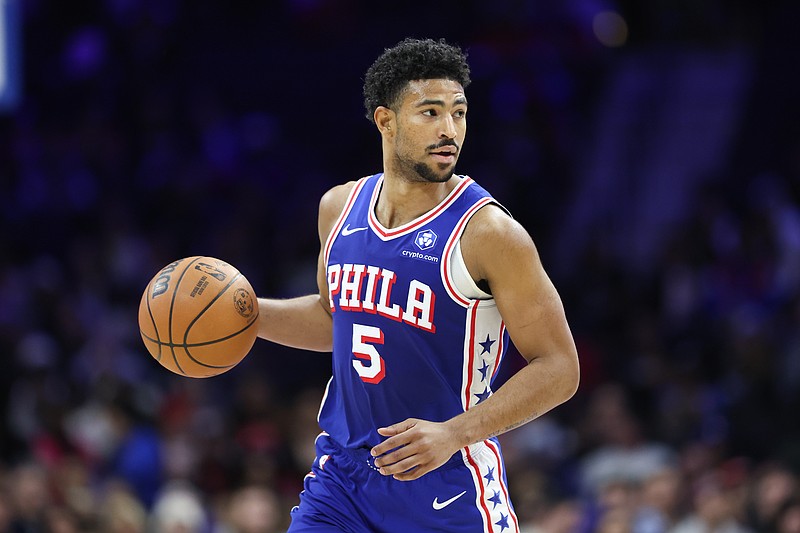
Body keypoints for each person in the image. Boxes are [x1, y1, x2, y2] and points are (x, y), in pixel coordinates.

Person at [257, 37, 580, 532]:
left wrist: (455, 434)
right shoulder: (338, 208)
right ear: (385, 121)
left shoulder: (489, 233)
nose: (449, 129)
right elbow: (334, 319)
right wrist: (248, 315)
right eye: (430, 112)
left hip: (447, 485)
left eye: (459, 113)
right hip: (343, 480)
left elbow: (560, 367)